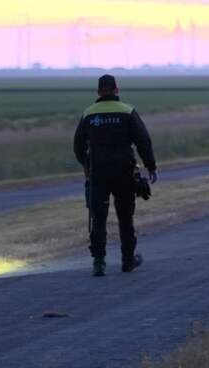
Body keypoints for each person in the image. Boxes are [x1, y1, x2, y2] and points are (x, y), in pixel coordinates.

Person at [74, 75, 157, 277]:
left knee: (98, 218)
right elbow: (143, 141)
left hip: (98, 174)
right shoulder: (127, 111)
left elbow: (78, 146)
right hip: (124, 173)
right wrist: (151, 166)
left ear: (98, 91)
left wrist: (86, 165)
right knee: (125, 218)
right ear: (116, 89)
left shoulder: (89, 114)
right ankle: (127, 261)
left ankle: (99, 263)